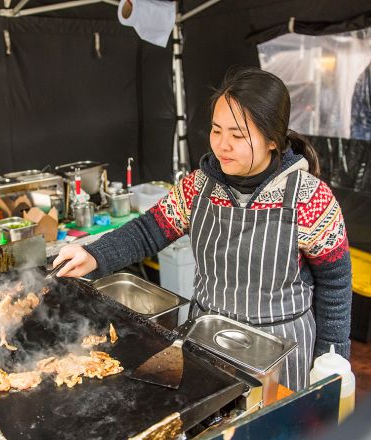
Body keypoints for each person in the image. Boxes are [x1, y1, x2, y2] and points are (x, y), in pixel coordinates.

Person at [54, 66, 352, 391]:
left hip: (281, 353)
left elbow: (335, 285)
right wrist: (93, 254)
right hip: (208, 342)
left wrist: (330, 360)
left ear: (272, 140)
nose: (222, 145)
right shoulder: (198, 186)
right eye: (216, 130)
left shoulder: (310, 198)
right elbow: (149, 230)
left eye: (238, 135)